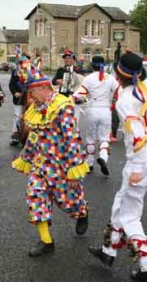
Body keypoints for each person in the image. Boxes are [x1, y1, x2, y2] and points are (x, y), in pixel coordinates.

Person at [88, 52, 147, 282]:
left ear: (118, 74)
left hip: (141, 160)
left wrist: (138, 167)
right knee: (121, 203)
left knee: (130, 215)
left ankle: (145, 266)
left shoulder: (125, 99)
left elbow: (137, 134)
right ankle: (108, 252)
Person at [11, 67, 89, 257]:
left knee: (68, 202)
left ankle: (82, 212)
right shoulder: (35, 109)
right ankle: (46, 241)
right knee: (35, 196)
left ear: (45, 88)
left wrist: (75, 164)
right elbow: (34, 137)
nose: (30, 97)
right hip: (40, 166)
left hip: (61, 166)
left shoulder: (63, 106)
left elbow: (72, 137)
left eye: (33, 92)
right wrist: (26, 158)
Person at [73, 56, 118, 175]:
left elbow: (79, 94)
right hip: (105, 110)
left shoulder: (88, 78)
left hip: (92, 109)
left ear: (92, 65)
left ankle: (90, 163)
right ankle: (103, 157)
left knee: (90, 137)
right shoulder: (110, 78)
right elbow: (119, 91)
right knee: (104, 137)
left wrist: (73, 99)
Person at [8, 54, 31, 146]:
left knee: (29, 117)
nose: (23, 65)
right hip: (19, 99)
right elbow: (11, 85)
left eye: (25, 63)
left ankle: (27, 136)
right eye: (21, 63)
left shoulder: (32, 72)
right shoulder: (15, 73)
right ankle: (15, 136)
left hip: (29, 99)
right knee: (17, 117)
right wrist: (15, 93)